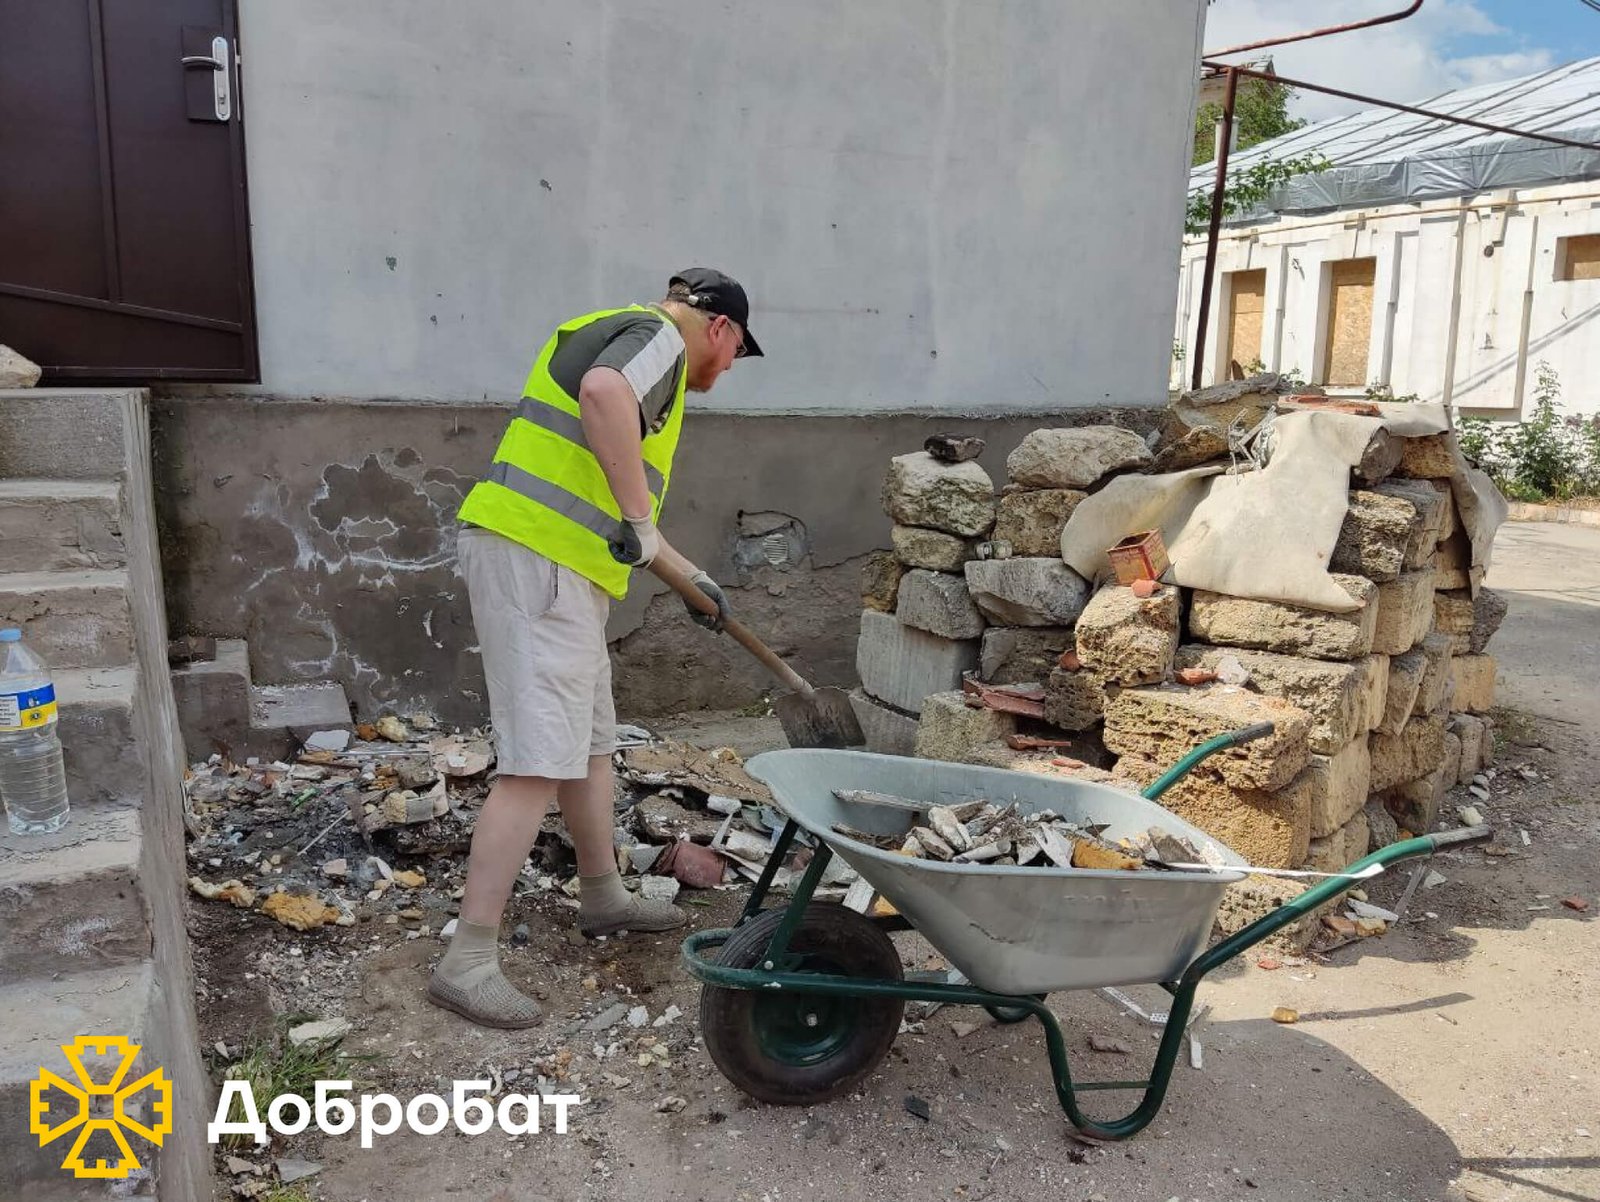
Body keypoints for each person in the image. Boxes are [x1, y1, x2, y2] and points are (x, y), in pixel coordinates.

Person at [428, 269, 763, 1029]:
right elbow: (606, 395)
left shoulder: (626, 332)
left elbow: (628, 523)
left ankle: (602, 891)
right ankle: (468, 959)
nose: (731, 368)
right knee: (539, 759)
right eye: (739, 350)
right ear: (718, 328)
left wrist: (690, 580)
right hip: (536, 558)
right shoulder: (658, 340)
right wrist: (645, 528)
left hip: (557, 566)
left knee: (588, 744)